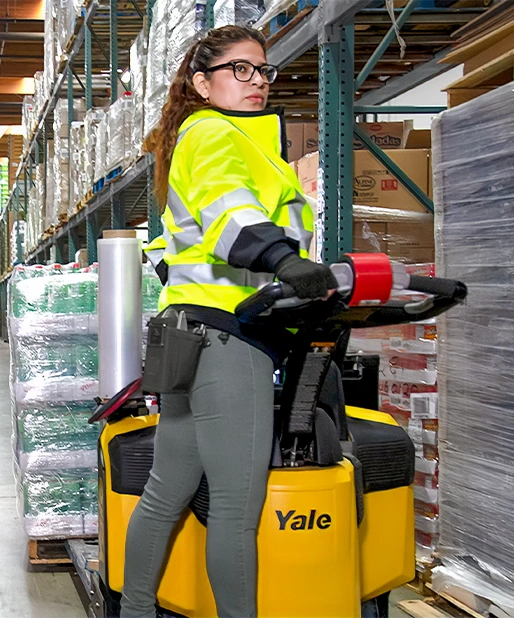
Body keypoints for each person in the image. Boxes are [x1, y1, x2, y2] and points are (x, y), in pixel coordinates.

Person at [121, 26, 337, 618]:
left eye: (263, 70)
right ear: (202, 82)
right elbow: (228, 211)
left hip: (189, 336)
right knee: (238, 512)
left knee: (168, 492)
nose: (257, 81)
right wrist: (283, 260)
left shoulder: (213, 138)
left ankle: (135, 611)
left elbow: (182, 243)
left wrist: (296, 273)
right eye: (240, 69)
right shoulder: (215, 133)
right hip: (228, 338)